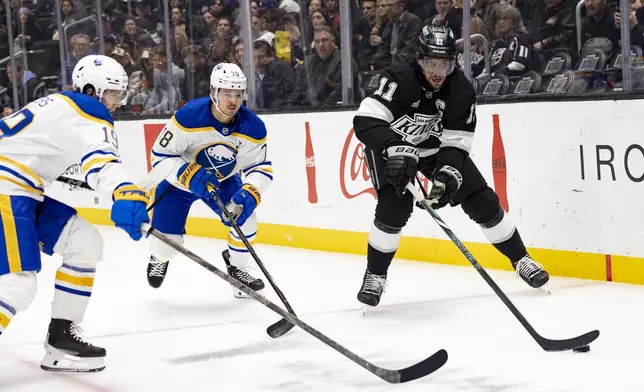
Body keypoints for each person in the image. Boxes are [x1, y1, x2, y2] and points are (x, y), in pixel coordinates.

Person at [352, 24, 550, 307]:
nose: (437, 71)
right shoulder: (398, 78)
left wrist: (447, 173)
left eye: (444, 63)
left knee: (481, 201)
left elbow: (457, 142)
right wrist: (395, 148)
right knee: (393, 210)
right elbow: (365, 121)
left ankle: (522, 260)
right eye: (431, 63)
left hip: (433, 151)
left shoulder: (460, 89)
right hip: (390, 149)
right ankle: (375, 275)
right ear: (419, 59)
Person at [0, 55, 150, 371]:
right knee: (17, 284)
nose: (116, 103)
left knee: (84, 242)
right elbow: (101, 161)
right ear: (94, 90)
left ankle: (61, 339)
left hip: (22, 191)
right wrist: (124, 192)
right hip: (7, 190)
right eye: (113, 94)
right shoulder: (89, 109)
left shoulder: (58, 104)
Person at [146, 63, 273, 299]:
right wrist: (185, 173)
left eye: (238, 94)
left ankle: (237, 268)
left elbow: (261, 167)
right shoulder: (188, 117)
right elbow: (159, 156)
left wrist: (251, 190)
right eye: (227, 94)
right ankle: (158, 257)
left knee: (246, 221)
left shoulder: (253, 127)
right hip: (178, 184)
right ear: (214, 92)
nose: (233, 101)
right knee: (166, 248)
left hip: (222, 182)